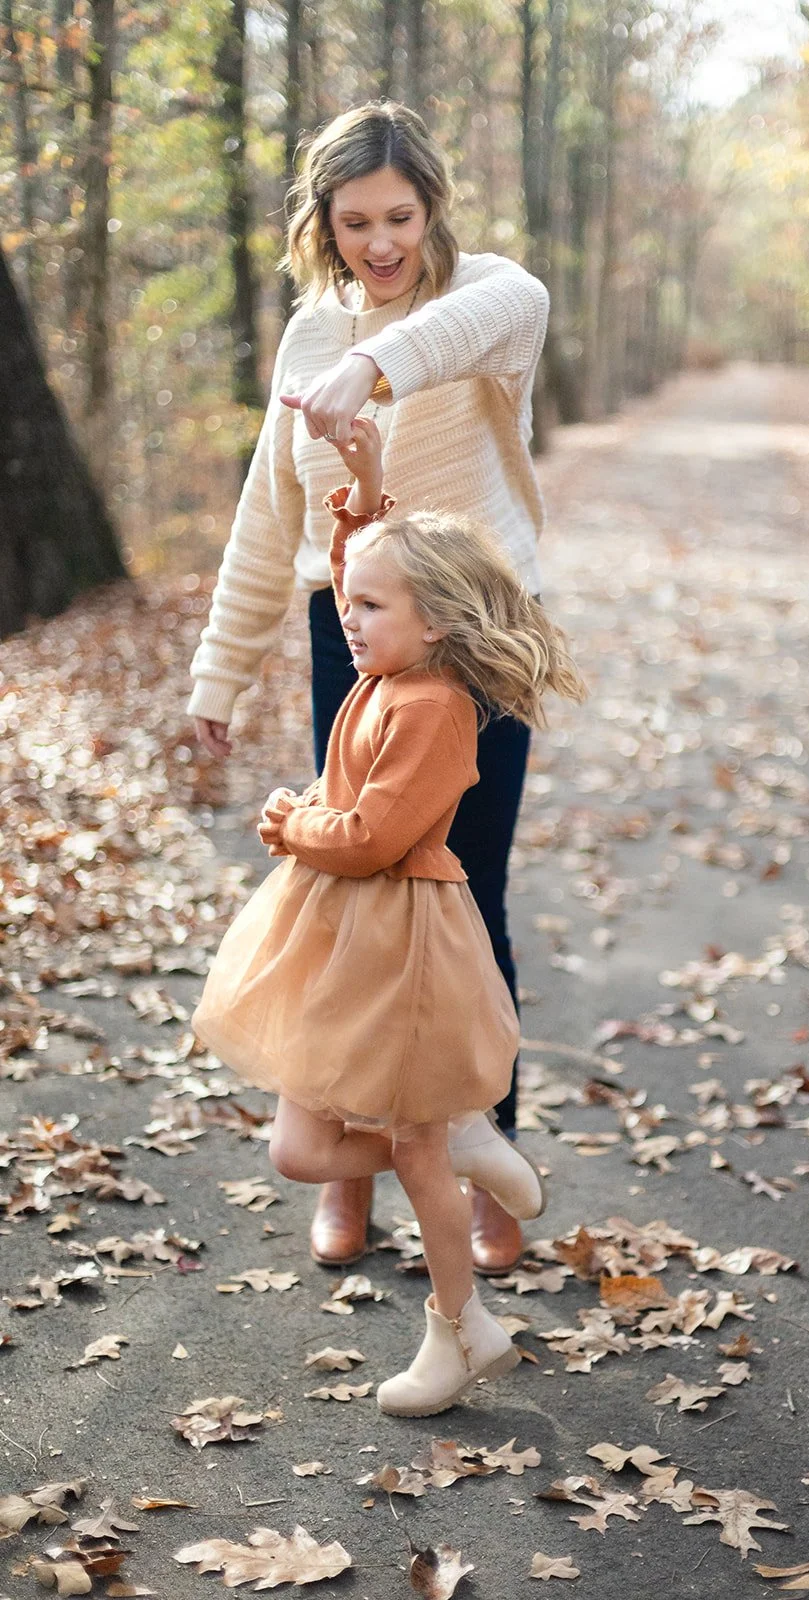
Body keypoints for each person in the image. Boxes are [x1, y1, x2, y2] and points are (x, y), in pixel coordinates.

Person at [188, 100, 552, 1274]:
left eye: (399, 216)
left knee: (461, 903)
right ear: (321, 223)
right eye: (355, 223)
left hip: (476, 648)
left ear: (431, 208)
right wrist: (218, 672)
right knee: (343, 907)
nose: (380, 242)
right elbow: (269, 518)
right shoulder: (304, 336)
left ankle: (488, 1166)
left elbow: (500, 312)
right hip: (345, 644)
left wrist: (370, 363)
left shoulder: (487, 298)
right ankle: (350, 1175)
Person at [192, 418, 584, 1415]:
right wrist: (365, 487)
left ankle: (458, 1330)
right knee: (302, 1150)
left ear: (438, 620)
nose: (348, 619)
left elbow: (371, 835)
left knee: (406, 1145)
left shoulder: (435, 707)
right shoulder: (387, 665)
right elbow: (354, 565)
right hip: (339, 935)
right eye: (350, 604)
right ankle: (459, 1148)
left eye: (368, 607)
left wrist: (294, 823)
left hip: (399, 938)